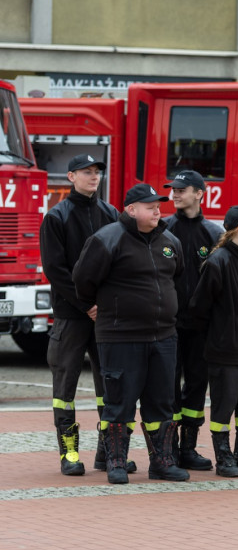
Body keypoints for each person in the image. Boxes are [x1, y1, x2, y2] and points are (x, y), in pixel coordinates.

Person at [73, 183, 187, 484]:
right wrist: (96, 307)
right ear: (131, 209)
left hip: (164, 336)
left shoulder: (170, 241)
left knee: (161, 402)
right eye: (150, 207)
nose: (157, 211)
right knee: (119, 402)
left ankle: (162, 462)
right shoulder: (107, 239)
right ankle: (116, 463)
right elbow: (82, 280)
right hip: (121, 336)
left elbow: (177, 276)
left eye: (158, 206)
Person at [40, 154, 135, 476]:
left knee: (109, 386)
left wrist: (105, 304)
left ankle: (108, 452)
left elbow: (120, 262)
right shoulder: (56, 217)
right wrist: (86, 304)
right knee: (64, 389)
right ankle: (69, 453)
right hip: (71, 316)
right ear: (71, 177)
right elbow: (55, 269)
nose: (94, 177)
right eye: (86, 172)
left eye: (96, 172)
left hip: (104, 316)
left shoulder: (110, 214)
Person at [190, 206, 238, 478]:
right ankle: (224, 457)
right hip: (225, 350)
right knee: (224, 406)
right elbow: (200, 307)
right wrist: (220, 335)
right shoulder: (217, 262)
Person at [163, 170, 223, 472]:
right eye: (173, 189)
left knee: (197, 386)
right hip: (168, 325)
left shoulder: (213, 233)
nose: (175, 193)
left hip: (201, 326)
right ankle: (168, 450)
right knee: (168, 387)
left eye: (182, 189)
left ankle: (188, 448)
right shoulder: (163, 229)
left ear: (200, 193)